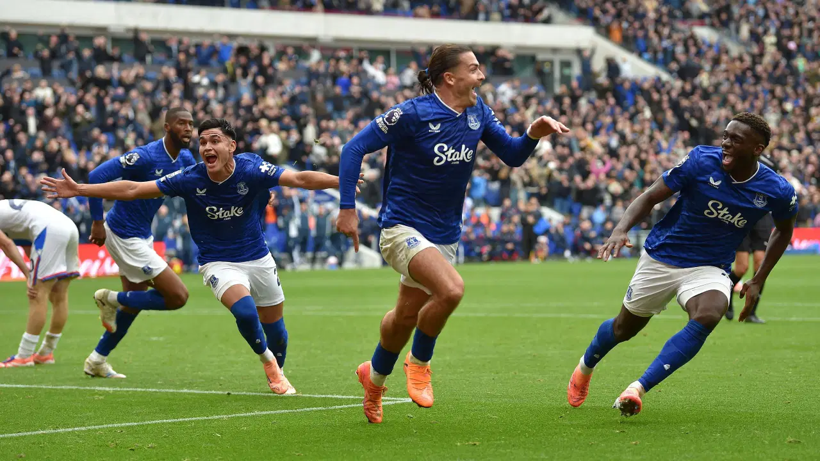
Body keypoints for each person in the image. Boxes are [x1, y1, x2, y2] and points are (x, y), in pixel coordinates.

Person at [336, 44, 570, 424]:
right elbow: (353, 148)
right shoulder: (412, 114)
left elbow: (512, 155)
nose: (482, 76)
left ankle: (373, 381)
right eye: (474, 69)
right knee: (452, 290)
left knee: (404, 317)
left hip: (444, 234)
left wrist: (532, 133)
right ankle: (419, 363)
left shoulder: (478, 112)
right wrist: (347, 208)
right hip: (401, 227)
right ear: (450, 77)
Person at [43, 118, 357, 394]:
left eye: (214, 140)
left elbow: (300, 180)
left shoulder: (252, 168)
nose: (206, 146)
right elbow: (133, 189)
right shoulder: (190, 178)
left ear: (231, 146)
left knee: (279, 335)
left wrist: (341, 182)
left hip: (258, 258)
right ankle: (269, 365)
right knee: (245, 313)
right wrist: (81, 189)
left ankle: (278, 367)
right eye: (203, 141)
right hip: (218, 262)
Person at [567, 113, 798, 417]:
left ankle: (637, 389)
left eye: (735, 139)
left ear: (758, 149)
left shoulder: (777, 190)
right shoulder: (701, 160)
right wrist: (621, 229)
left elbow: (784, 229)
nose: (725, 143)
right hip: (662, 257)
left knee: (709, 314)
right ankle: (585, 366)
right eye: (725, 136)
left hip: (709, 266)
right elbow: (650, 195)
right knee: (624, 329)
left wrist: (759, 278)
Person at [82, 107, 196, 379]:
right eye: (181, 123)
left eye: (191, 124)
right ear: (167, 127)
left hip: (142, 234)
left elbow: (200, 187)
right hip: (123, 234)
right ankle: (109, 298)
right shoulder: (145, 156)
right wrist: (97, 222)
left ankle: (96, 360)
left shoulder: (186, 158)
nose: (188, 128)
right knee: (178, 296)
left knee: (134, 303)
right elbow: (96, 176)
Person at [0, 199, 80, 368]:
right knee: (59, 294)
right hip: (68, 226)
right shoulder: (8, 211)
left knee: (37, 294)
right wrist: (31, 272)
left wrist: (28, 275)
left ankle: (24, 356)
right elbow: (27, 244)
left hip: (49, 229)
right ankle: (46, 353)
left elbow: (6, 244)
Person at [725, 154, 778, 324]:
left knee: (759, 265)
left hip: (762, 217)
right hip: (742, 215)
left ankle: (751, 312)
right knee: (741, 268)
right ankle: (727, 295)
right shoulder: (741, 157)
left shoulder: (770, 162)